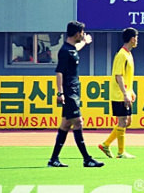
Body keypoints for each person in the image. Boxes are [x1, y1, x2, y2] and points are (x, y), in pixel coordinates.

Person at [48, 21, 105, 168]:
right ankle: (87, 159)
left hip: (74, 91)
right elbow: (59, 72)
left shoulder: (71, 49)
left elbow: (75, 50)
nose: (83, 34)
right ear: (76, 33)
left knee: (66, 124)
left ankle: (53, 159)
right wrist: (60, 93)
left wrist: (85, 43)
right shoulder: (64, 51)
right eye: (82, 32)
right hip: (69, 92)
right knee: (78, 122)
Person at [98, 28, 138, 160]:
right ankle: (121, 152)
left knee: (127, 122)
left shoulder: (128, 54)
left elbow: (126, 76)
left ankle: (106, 144)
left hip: (125, 92)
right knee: (123, 121)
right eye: (136, 37)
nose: (137, 40)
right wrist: (125, 93)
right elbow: (118, 76)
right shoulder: (121, 54)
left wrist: (131, 90)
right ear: (132, 39)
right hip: (119, 94)